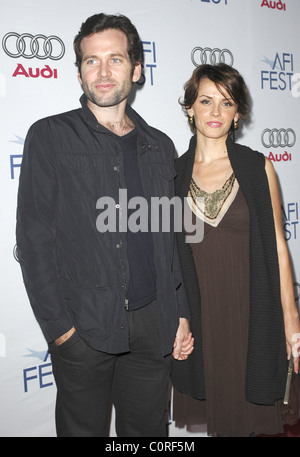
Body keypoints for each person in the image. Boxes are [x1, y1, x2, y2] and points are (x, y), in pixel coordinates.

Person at [16, 13, 194, 437]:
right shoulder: (50, 136)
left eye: (114, 59)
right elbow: (34, 241)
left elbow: (171, 240)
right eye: (91, 61)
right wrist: (61, 331)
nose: (102, 71)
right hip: (84, 328)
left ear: (136, 69)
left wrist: (181, 313)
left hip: (154, 325)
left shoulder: (160, 145)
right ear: (79, 71)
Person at [171, 63, 300, 437]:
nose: (215, 112)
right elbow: (168, 258)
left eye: (226, 103)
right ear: (189, 107)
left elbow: (278, 245)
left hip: (252, 311)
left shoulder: (258, 167)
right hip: (201, 314)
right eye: (205, 101)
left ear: (238, 113)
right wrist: (177, 318)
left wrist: (291, 321)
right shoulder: (171, 174)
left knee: (249, 414)